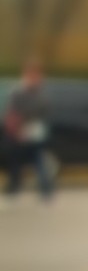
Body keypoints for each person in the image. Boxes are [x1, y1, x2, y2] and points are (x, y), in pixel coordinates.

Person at [4, 58, 55, 204]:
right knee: (17, 161)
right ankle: (14, 188)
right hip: (21, 131)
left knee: (39, 160)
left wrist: (24, 121)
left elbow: (43, 111)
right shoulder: (19, 90)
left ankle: (45, 191)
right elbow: (13, 109)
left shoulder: (40, 93)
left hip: (35, 131)